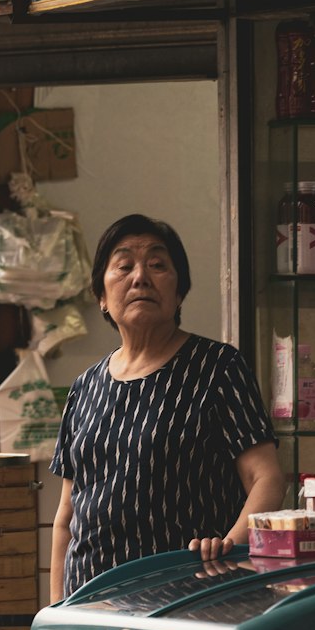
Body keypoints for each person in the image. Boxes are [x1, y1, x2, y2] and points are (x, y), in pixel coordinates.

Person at [48, 214, 285, 600]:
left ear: (179, 294)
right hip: (90, 610)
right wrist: (56, 613)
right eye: (124, 266)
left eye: (158, 265)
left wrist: (228, 552)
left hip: (188, 606)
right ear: (101, 298)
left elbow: (267, 479)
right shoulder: (84, 387)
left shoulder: (217, 367)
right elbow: (66, 518)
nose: (140, 277)